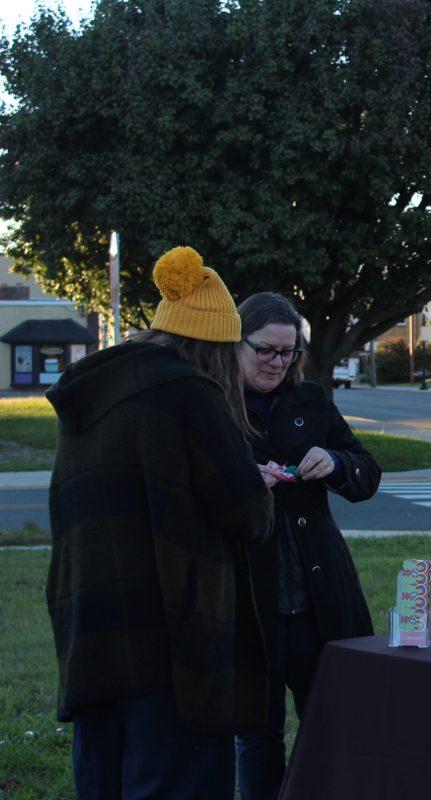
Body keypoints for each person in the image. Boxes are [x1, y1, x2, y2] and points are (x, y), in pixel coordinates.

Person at [46, 246, 274, 799]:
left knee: (103, 780)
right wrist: (257, 483)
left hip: (91, 635)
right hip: (172, 641)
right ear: (214, 347)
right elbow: (247, 511)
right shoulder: (186, 393)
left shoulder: (92, 389)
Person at [232, 292, 381, 800]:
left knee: (334, 725)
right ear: (237, 343)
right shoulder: (214, 406)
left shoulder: (311, 400)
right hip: (251, 603)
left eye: (289, 352)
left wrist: (336, 465)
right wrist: (240, 481)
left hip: (320, 596)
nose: (278, 362)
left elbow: (367, 473)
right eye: (266, 351)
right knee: (257, 733)